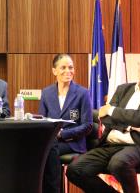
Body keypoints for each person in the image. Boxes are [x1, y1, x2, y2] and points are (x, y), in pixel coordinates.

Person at [66, 51, 140, 193]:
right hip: (110, 144)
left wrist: (112, 110)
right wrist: (133, 127)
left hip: (138, 146)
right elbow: (106, 118)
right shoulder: (123, 89)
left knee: (118, 163)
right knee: (75, 170)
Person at [38, 54, 93, 193]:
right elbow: (42, 121)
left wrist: (62, 134)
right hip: (52, 141)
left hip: (73, 142)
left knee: (48, 149)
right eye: (63, 67)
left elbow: (88, 125)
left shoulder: (82, 93)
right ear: (54, 71)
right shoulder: (46, 93)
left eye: (71, 67)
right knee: (45, 148)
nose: (68, 71)